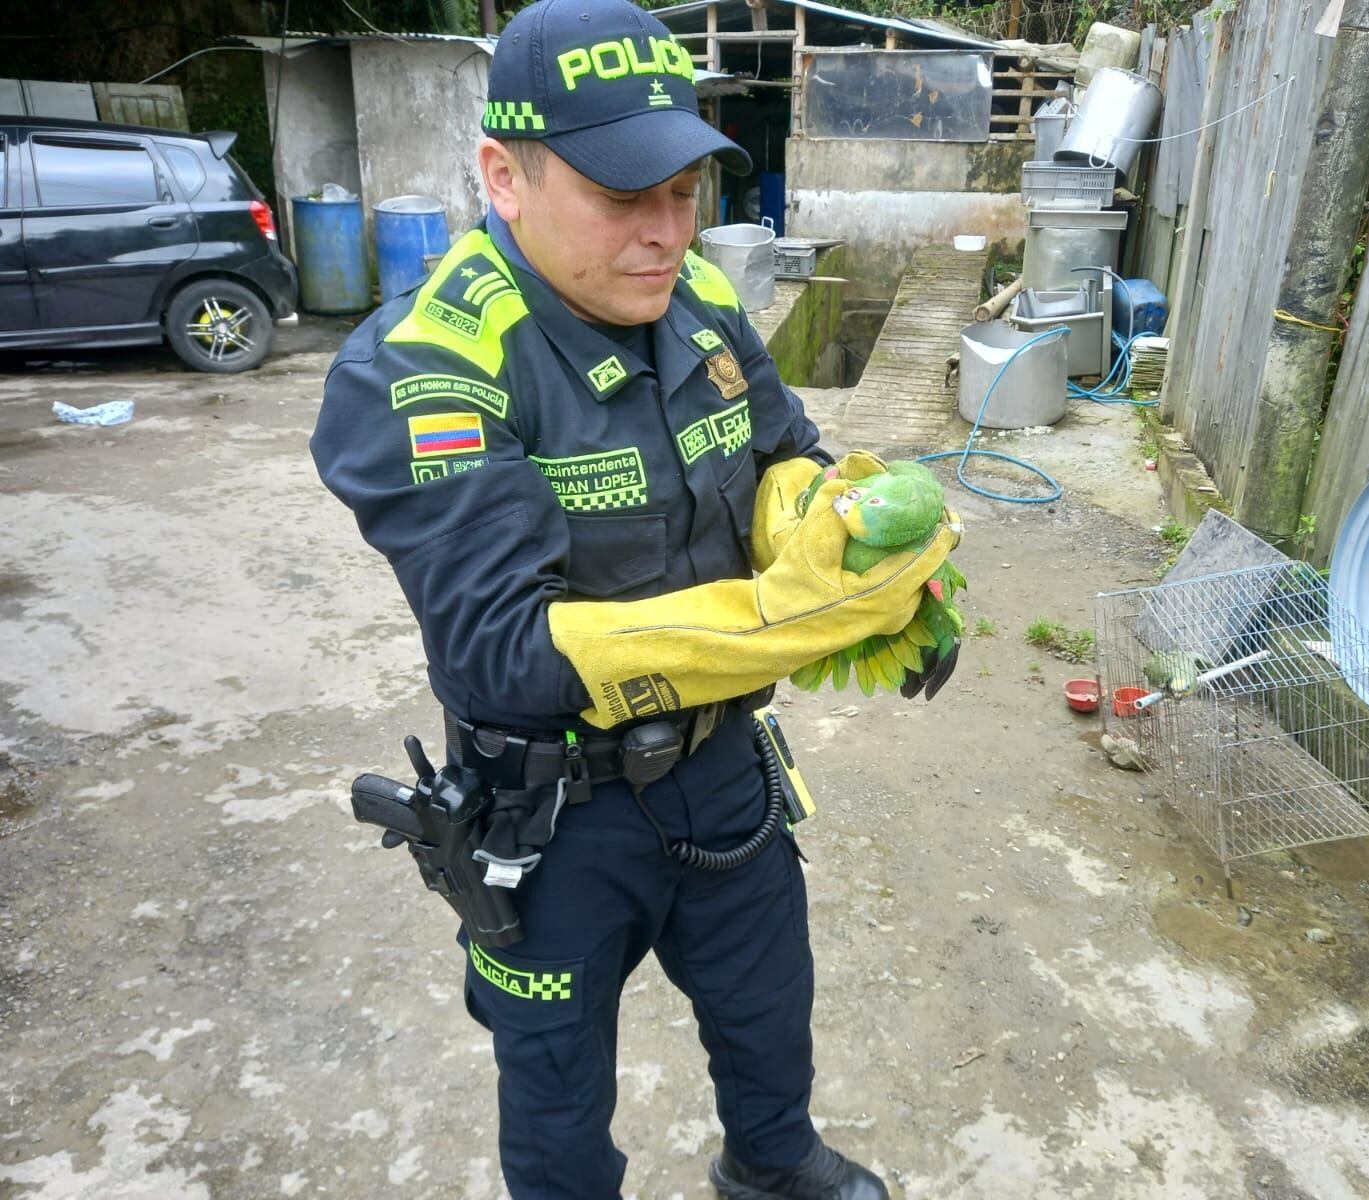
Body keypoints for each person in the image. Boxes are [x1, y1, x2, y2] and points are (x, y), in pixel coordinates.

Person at [309, 1, 958, 1196]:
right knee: (556, 1094)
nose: (667, 231)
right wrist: (795, 617)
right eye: (623, 197)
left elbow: (785, 453)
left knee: (769, 1002)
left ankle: (770, 1164)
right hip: (551, 815)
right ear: (504, 176)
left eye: (684, 190)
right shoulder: (426, 367)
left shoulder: (697, 299)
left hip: (722, 769)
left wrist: (856, 549)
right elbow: (507, 649)